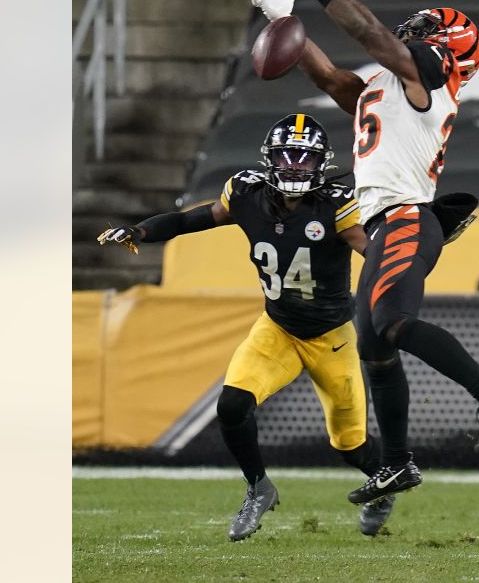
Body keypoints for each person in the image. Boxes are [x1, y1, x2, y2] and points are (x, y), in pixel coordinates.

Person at [244, 0, 479, 506]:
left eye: (425, 32)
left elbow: (371, 34)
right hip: (384, 223)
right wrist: (286, 21)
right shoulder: (388, 89)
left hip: (404, 218)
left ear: (447, 48)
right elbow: (329, 78)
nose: (412, 34)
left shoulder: (433, 83)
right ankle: (397, 464)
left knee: (391, 323)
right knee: (374, 343)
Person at [97, 114, 397, 539]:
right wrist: (141, 230)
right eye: (286, 157)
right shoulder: (247, 192)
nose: (294, 166)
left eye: (304, 159)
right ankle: (259, 487)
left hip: (332, 337)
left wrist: (417, 247)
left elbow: (377, 252)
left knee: (350, 445)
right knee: (233, 405)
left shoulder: (337, 204)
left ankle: (384, 486)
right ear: (270, 160)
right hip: (277, 329)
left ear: (321, 164)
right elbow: (191, 219)